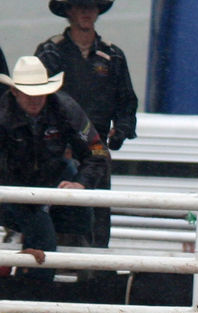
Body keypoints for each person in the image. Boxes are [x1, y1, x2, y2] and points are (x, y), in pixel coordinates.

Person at [36, 0, 138, 247]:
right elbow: (36, 101)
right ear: (68, 11)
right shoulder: (50, 52)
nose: (86, 12)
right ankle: (50, 275)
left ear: (98, 11)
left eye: (91, 7)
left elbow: (127, 104)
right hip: (58, 149)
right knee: (54, 217)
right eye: (79, 6)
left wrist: (120, 132)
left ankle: (95, 278)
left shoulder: (113, 56)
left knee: (98, 221)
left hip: (97, 149)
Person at [0, 56, 109, 281]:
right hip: (11, 186)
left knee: (81, 219)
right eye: (28, 93)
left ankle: (73, 279)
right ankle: (36, 295)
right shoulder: (2, 116)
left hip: (51, 178)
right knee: (43, 237)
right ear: (15, 92)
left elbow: (97, 151)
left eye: (40, 92)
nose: (35, 99)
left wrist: (81, 183)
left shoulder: (66, 109)